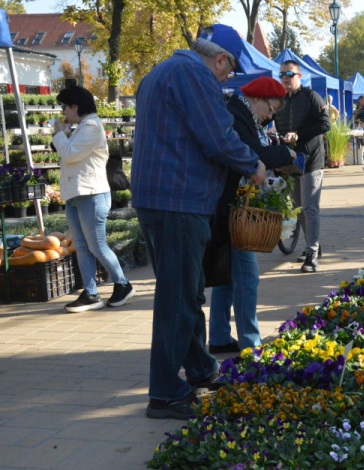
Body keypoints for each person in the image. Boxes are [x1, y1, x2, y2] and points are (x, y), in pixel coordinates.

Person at [132, 24, 266, 420]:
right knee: (177, 296)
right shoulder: (195, 75)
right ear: (220, 59)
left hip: (160, 197)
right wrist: (254, 165)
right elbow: (218, 137)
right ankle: (165, 392)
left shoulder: (162, 71)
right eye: (229, 69)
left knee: (185, 290)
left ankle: (201, 368)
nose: (227, 77)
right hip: (178, 199)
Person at [206, 77, 295, 354]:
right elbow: (252, 153)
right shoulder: (237, 116)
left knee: (227, 275)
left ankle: (219, 337)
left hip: (230, 205)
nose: (271, 115)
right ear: (257, 98)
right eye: (271, 108)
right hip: (233, 207)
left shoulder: (245, 114)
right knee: (247, 276)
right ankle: (251, 344)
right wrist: (285, 153)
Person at [52, 86, 135, 313]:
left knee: (96, 245)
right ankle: (90, 293)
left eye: (64, 106)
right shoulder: (82, 127)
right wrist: (64, 134)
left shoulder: (91, 126)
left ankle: (122, 284)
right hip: (76, 196)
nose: (63, 111)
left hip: (92, 195)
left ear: (75, 106)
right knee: (82, 247)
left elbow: (69, 154)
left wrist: (59, 133)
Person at [274, 59, 331, 273]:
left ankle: (312, 252)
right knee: (298, 208)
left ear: (299, 76)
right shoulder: (279, 100)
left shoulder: (310, 97)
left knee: (309, 206)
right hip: (290, 161)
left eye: (289, 74)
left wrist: (299, 135)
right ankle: (312, 245)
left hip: (311, 160)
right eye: (281, 75)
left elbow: (326, 124)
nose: (285, 79)